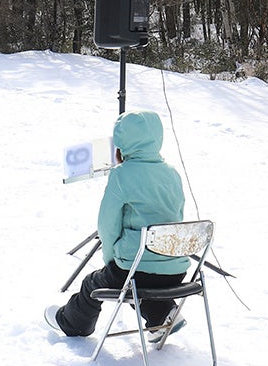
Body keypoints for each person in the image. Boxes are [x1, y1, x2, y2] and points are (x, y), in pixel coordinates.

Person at [45, 110, 188, 341]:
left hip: (134, 268)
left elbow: (108, 224)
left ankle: (71, 323)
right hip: (175, 270)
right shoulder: (172, 174)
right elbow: (177, 216)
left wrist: (110, 260)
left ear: (123, 141)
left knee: (94, 283)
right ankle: (163, 315)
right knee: (139, 281)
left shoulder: (122, 174)